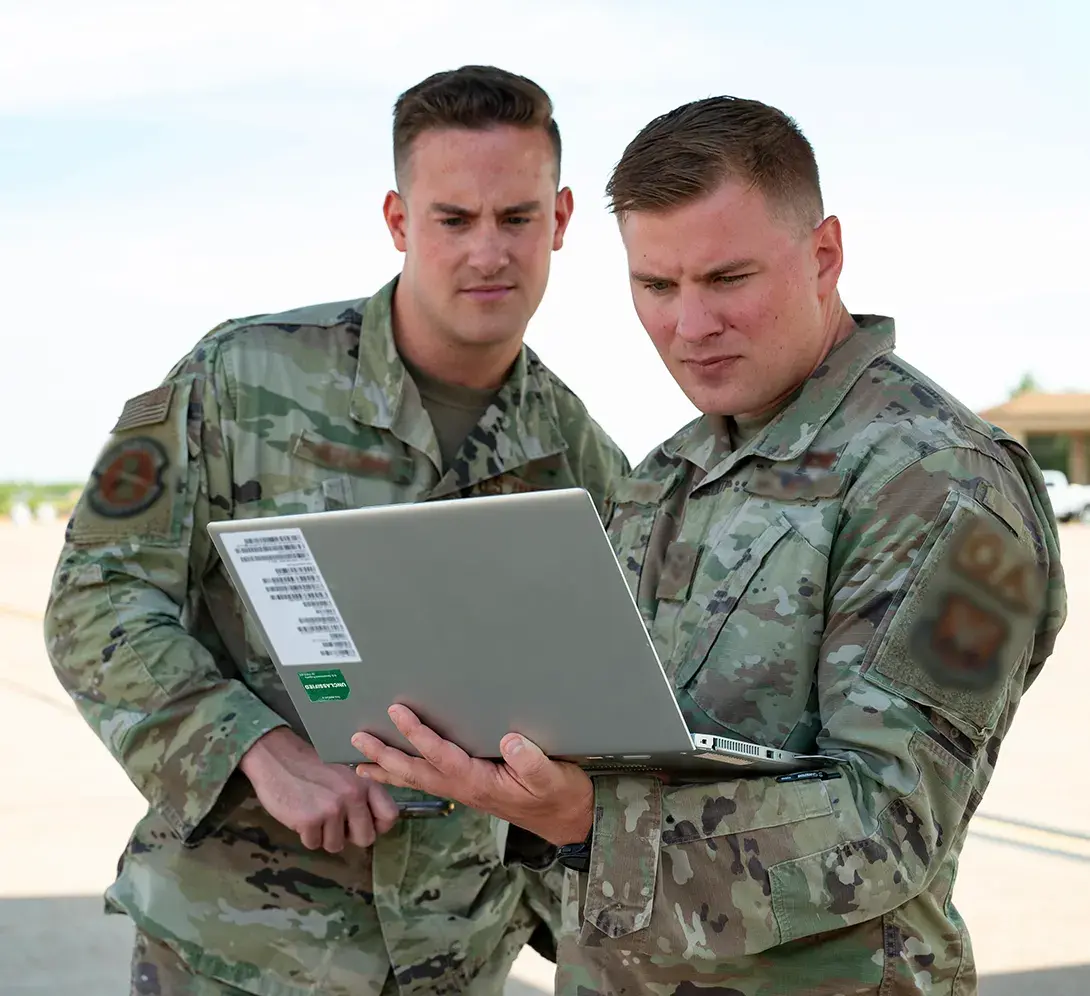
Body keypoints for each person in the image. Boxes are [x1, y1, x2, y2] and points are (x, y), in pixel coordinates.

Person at [350, 95, 1067, 995]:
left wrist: (590, 824)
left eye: (727, 279)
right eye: (657, 287)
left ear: (824, 256)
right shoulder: (666, 476)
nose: (690, 327)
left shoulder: (942, 482)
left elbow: (889, 824)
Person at [43, 65, 628, 996]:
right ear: (399, 221)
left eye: (516, 218)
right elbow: (96, 597)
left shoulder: (584, 464)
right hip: (237, 953)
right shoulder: (239, 380)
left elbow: (610, 719)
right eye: (453, 219)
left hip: (452, 962)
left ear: (559, 220)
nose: (488, 252)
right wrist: (251, 746)